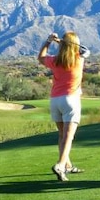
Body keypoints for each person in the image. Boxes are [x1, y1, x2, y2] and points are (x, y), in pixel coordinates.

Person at [37, 31, 90, 181]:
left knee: (62, 135)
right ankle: (60, 165)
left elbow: (41, 57)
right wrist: (62, 42)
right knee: (68, 136)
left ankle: (67, 166)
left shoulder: (55, 61)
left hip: (55, 101)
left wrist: (49, 41)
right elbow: (86, 50)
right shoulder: (79, 59)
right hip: (71, 100)